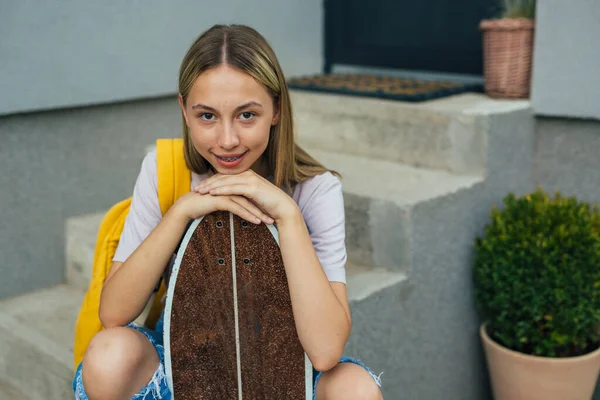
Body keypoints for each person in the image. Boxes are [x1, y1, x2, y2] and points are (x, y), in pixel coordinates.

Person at [73, 24, 383, 400]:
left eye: (247, 115)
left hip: (283, 366)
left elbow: (325, 350)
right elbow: (114, 314)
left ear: (276, 110)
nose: (227, 140)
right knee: (110, 354)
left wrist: (288, 215)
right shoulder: (165, 170)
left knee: (355, 389)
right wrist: (181, 211)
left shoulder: (315, 190)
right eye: (207, 116)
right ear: (184, 111)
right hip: (184, 359)